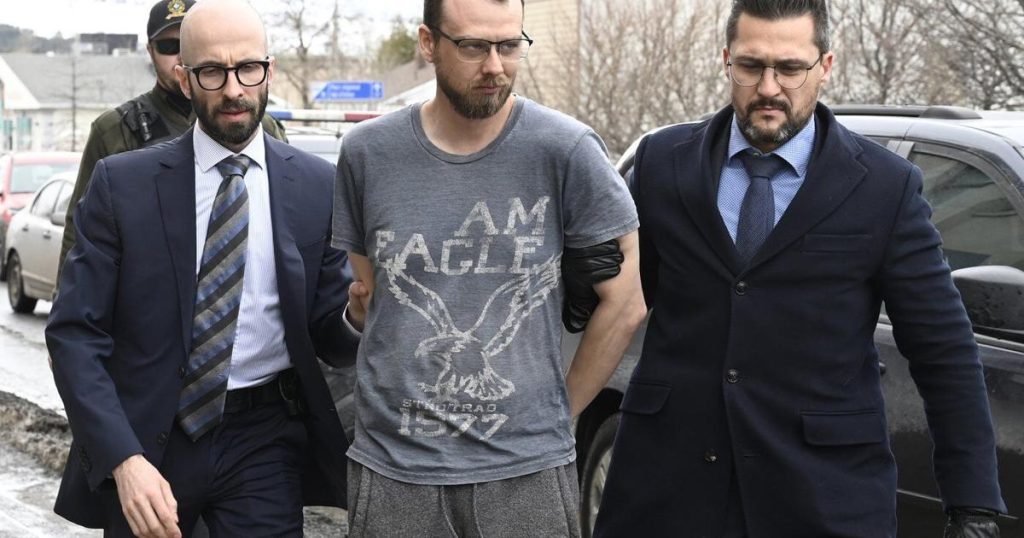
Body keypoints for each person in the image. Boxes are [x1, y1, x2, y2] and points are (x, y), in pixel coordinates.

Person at [592, 1, 1005, 537]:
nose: (769, 88)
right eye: (750, 66)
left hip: (823, 498)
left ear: (825, 66)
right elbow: (609, 302)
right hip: (665, 493)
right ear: (726, 60)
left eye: (790, 68)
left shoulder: (885, 187)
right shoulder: (661, 163)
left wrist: (973, 504)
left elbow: (943, 350)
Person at [45, 1, 361, 536]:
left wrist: (356, 314)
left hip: (265, 440)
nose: (234, 89)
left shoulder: (315, 185)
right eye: (212, 72)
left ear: (269, 71)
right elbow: (74, 333)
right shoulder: (123, 186)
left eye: (248, 68)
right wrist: (123, 460)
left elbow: (330, 335)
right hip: (150, 437)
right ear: (185, 78)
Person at [331, 0, 646, 535]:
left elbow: (626, 302)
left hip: (526, 477)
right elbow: (376, 289)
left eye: (510, 45)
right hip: (394, 471)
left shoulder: (566, 149)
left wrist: (556, 416)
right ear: (428, 44)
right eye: (474, 46)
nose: (495, 66)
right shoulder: (367, 153)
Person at [58, 0, 288, 276]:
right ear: (150, 51)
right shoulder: (116, 129)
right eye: (169, 46)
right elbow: (80, 233)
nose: (180, 54)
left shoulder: (259, 126)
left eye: (188, 43)